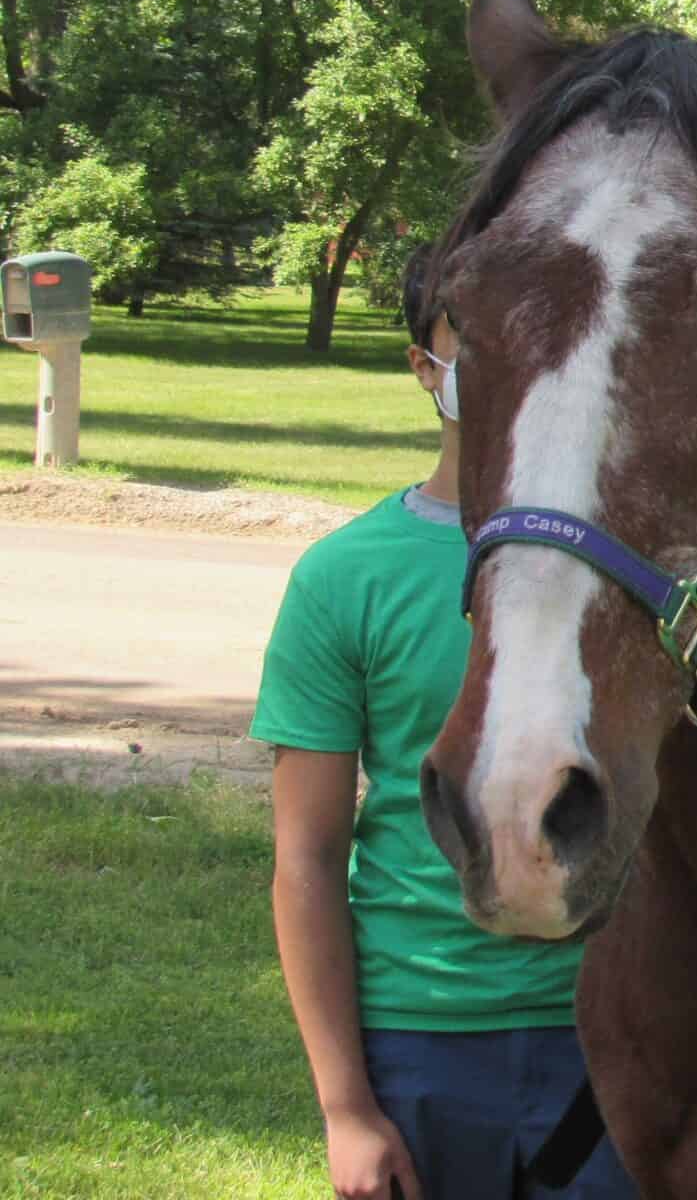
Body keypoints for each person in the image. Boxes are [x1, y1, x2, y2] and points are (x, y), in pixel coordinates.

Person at [252, 246, 634, 1200]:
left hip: (612, 1029)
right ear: (426, 367)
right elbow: (305, 856)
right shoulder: (346, 579)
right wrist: (345, 1108)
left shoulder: (640, 576)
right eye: (473, 334)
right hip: (416, 1036)